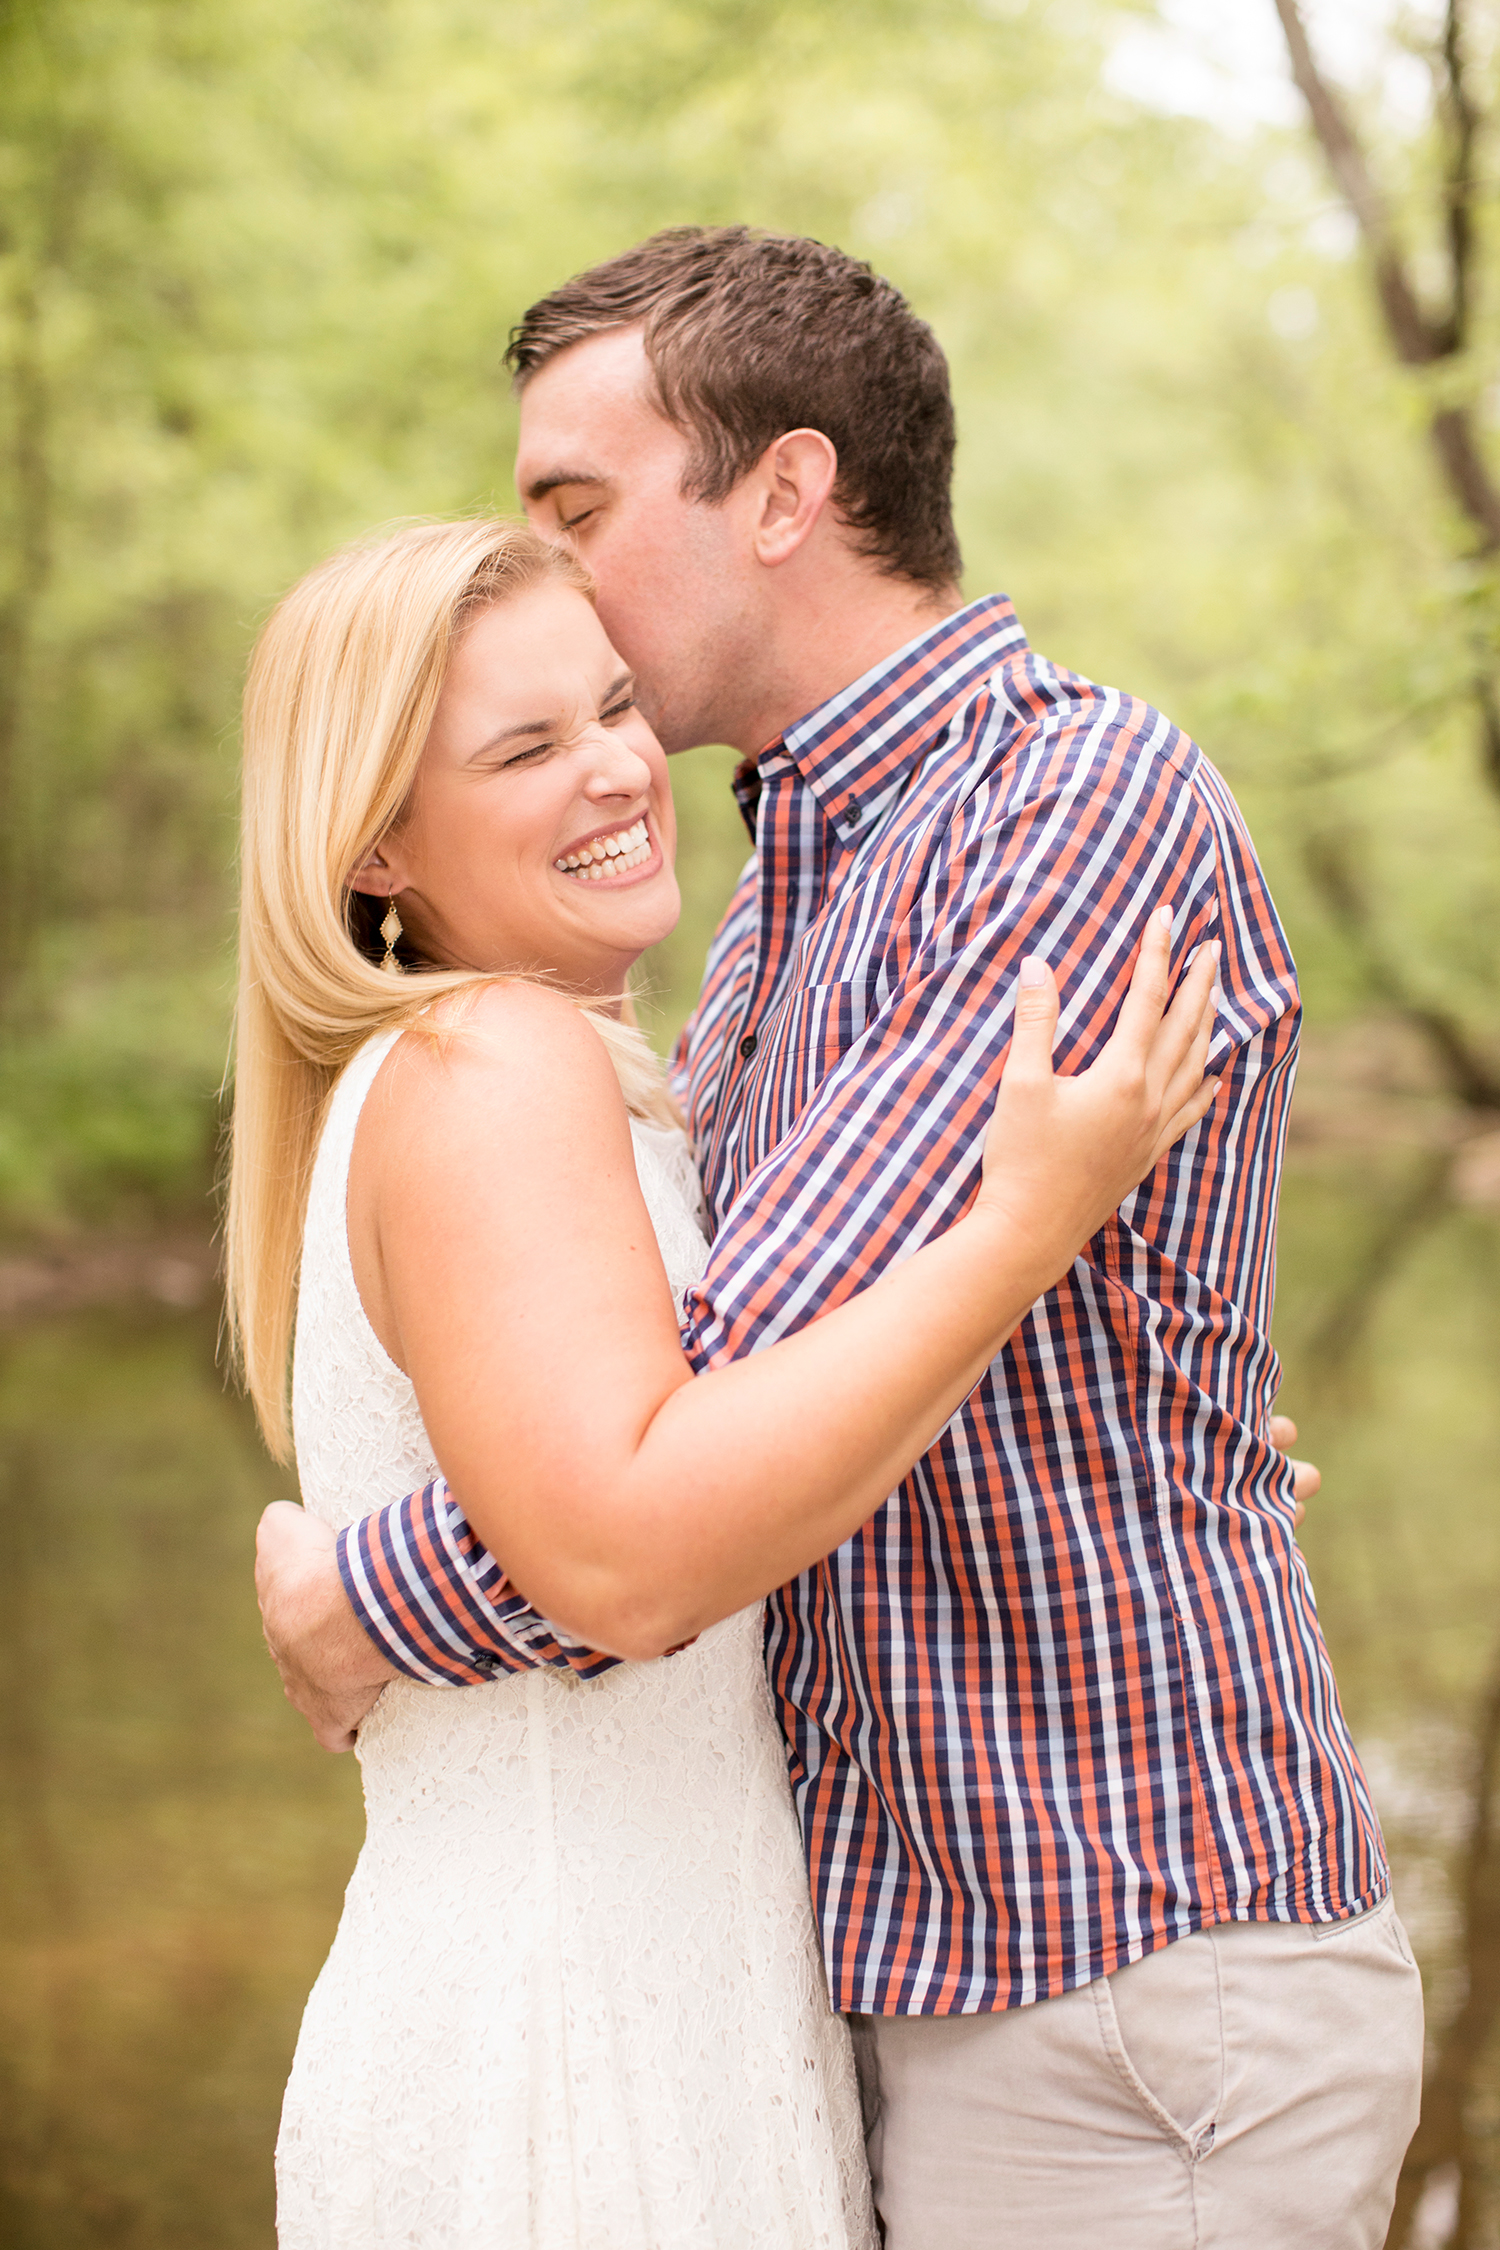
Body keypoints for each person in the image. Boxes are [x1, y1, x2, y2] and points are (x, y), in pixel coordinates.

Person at [256, 229, 1424, 2248]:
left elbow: (671, 1449)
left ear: (785, 493)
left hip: (1116, 1962)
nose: (546, 561)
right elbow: (707, 1392)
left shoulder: (1063, 806)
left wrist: (374, 1589)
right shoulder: (763, 927)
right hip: (908, 1960)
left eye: (577, 506)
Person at [233, 513, 1219, 2247]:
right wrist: (1027, 1223)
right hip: (581, 2014)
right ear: (378, 842)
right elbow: (622, 1556)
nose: (619, 768)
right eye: (527, 746)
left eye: (616, 706)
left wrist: (1153, 1431)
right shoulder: (495, 1060)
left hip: (662, 1960)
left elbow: (734, 1428)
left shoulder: (546, 1063)